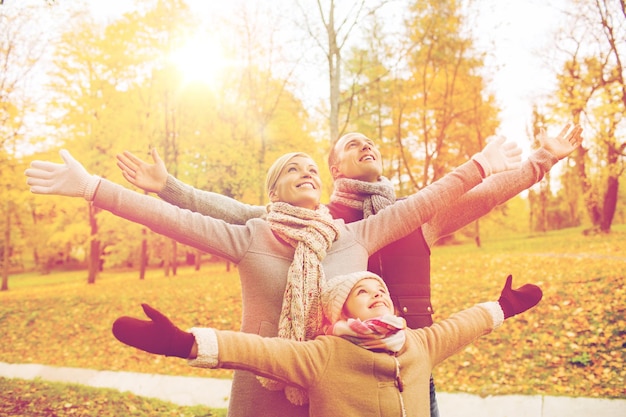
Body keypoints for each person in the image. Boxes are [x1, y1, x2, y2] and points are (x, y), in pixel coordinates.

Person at [116, 123, 582, 416]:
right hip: (332, 374)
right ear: (334, 166)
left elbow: (484, 193)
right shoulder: (316, 223)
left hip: (410, 364)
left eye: (372, 141)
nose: (367, 145)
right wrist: (169, 188)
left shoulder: (415, 215)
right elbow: (231, 212)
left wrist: (541, 161)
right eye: (353, 143)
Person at [25, 143, 518, 417]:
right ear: (274, 190)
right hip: (264, 390)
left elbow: (428, 200)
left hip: (342, 393)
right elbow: (165, 219)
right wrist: (91, 186)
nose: (305, 173)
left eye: (311, 169)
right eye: (292, 170)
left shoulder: (354, 236)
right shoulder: (251, 235)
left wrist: (479, 166)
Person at [111, 272, 543, 417]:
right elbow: (254, 350)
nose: (377, 293)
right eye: (363, 291)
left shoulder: (418, 344)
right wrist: (181, 343)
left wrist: (503, 306)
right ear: (341, 314)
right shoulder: (324, 355)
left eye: (380, 289)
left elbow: (466, 324)